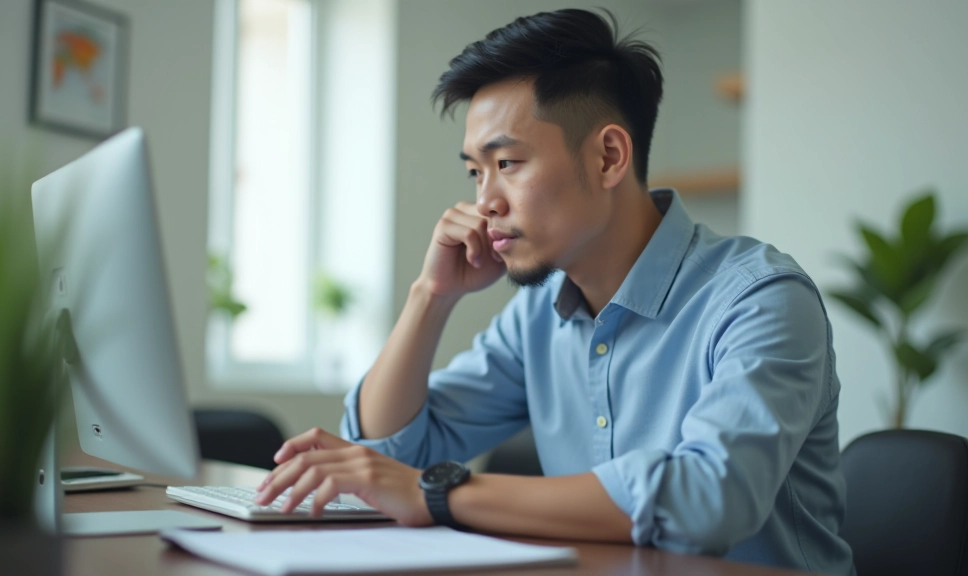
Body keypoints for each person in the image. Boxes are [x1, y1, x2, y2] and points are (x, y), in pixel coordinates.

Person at [254, 8, 855, 575]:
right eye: (475, 171)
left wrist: (438, 493)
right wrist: (430, 295)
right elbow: (392, 452)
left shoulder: (762, 300)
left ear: (609, 157)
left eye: (508, 163)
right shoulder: (539, 315)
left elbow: (706, 501)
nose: (483, 201)